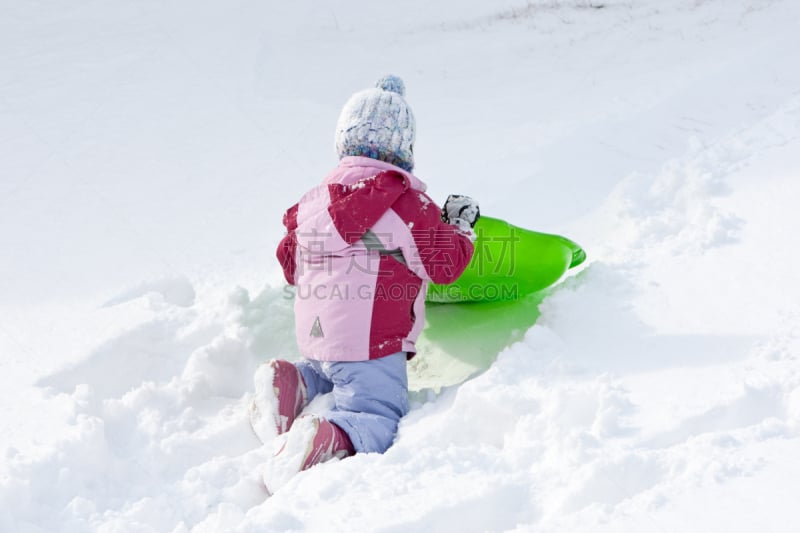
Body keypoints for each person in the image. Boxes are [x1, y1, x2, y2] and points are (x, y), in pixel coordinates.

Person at [251, 75, 480, 493]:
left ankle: (292, 382)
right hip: (368, 341)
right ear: (405, 149)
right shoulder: (407, 204)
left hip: (317, 335)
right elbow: (444, 264)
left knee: (327, 372)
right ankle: (326, 437)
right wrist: (461, 227)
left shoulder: (312, 203)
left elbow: (289, 264)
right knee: (378, 410)